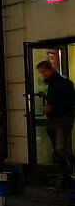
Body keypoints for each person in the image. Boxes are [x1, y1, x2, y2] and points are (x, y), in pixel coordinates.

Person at [38, 59, 75, 189]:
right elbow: (59, 99)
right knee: (58, 150)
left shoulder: (62, 83)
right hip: (55, 120)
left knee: (60, 149)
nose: (43, 75)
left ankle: (69, 173)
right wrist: (47, 98)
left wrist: (52, 107)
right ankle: (66, 176)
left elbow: (69, 101)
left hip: (62, 119)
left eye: (43, 72)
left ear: (50, 69)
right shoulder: (53, 83)